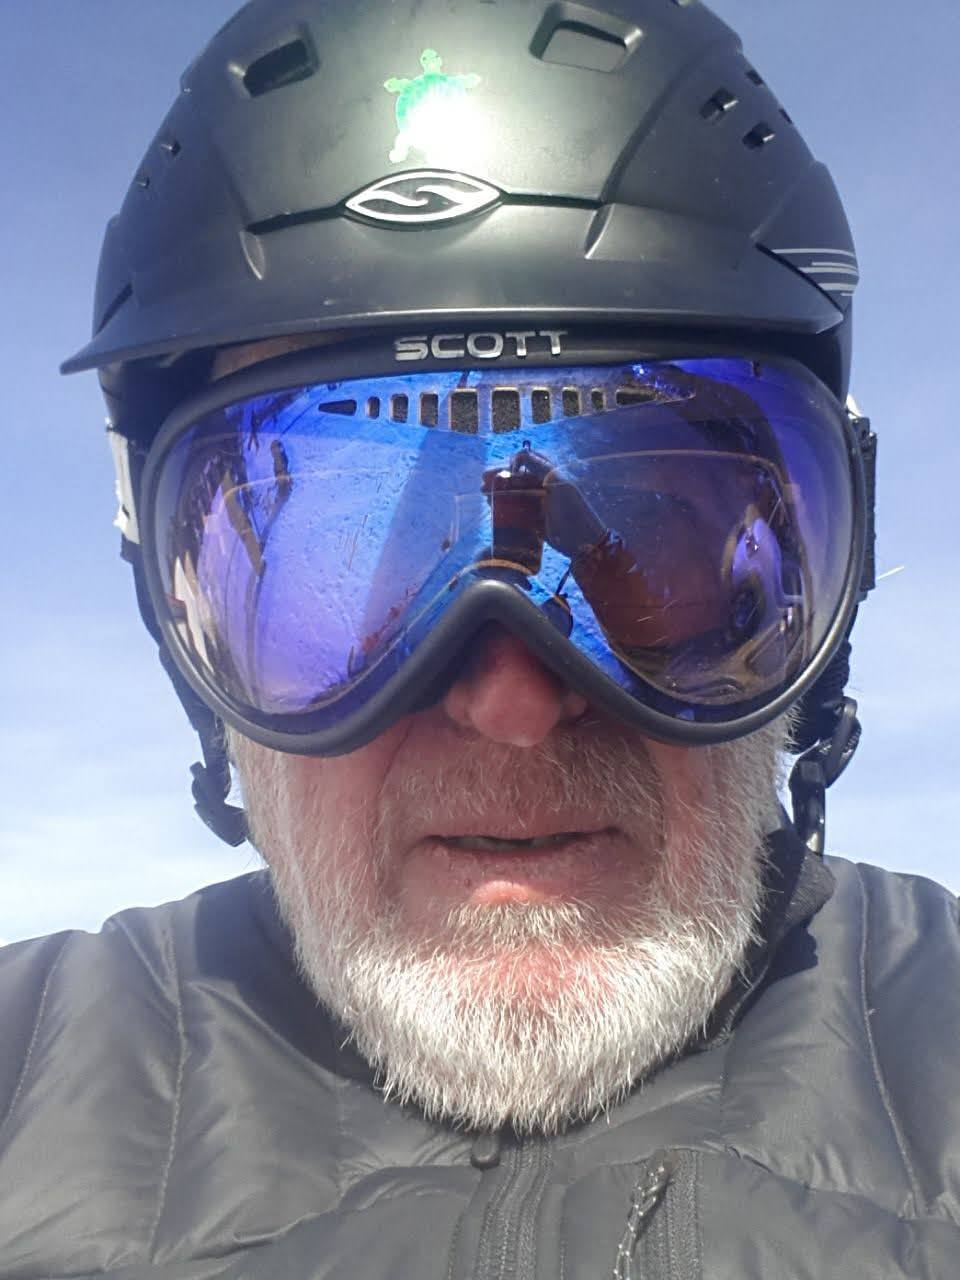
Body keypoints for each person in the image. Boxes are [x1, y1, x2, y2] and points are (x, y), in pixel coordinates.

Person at [2, 1, 958, 1276]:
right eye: (349, 578)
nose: (512, 702)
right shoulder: (30, 1070)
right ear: (181, 619)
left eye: (657, 540)